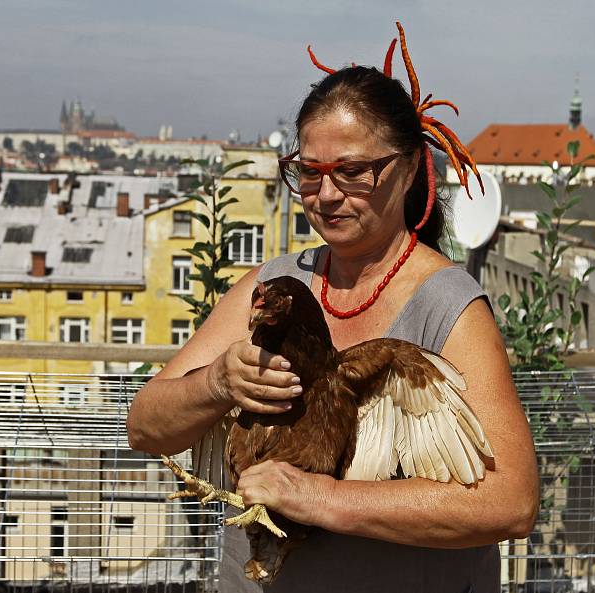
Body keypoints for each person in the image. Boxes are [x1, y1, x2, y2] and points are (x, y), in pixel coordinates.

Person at [127, 22, 539, 593]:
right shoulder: (272, 287)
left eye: (351, 170)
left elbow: (510, 503)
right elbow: (144, 426)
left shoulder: (449, 307)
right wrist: (217, 383)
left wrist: (318, 496)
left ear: (408, 168)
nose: (325, 193)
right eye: (310, 172)